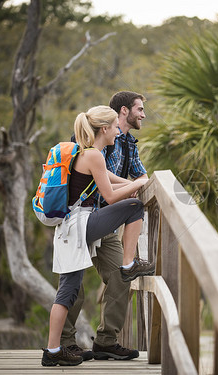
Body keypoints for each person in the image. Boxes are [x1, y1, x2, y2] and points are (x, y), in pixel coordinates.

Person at [41, 105, 154, 367]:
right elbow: (111, 196)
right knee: (134, 207)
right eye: (115, 127)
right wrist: (137, 185)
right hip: (80, 224)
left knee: (67, 291)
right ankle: (128, 264)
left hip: (75, 227)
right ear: (104, 128)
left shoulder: (89, 153)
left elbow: (108, 180)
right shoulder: (94, 155)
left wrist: (132, 183)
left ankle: (54, 350)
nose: (118, 131)